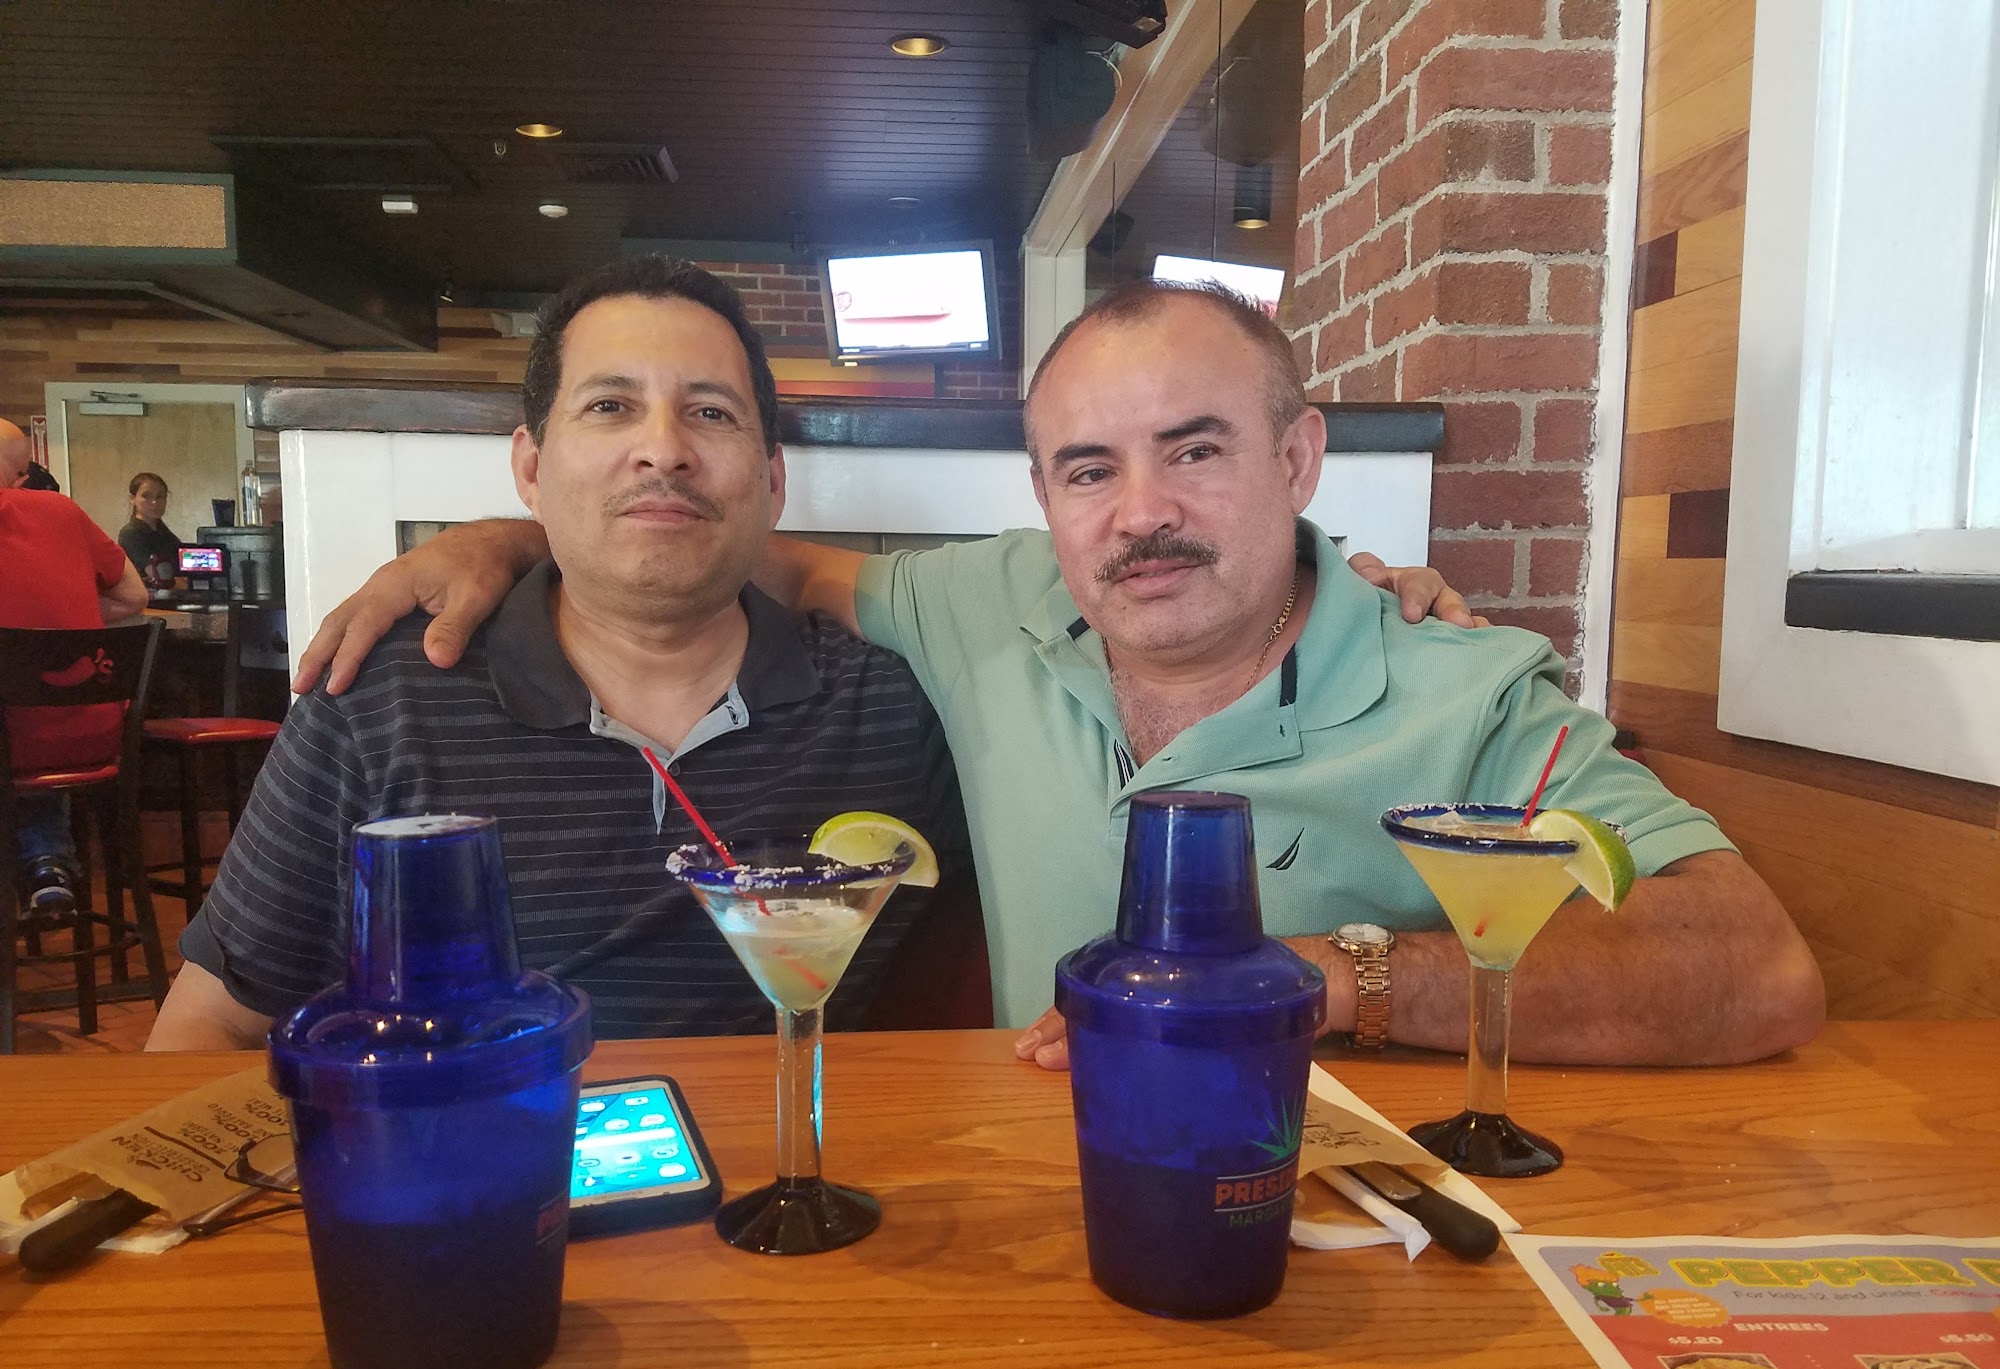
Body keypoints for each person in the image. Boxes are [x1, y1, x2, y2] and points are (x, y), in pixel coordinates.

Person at [292, 278, 1827, 1072]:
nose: (1139, 513)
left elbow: (1754, 969)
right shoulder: (987, 604)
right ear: (1042, 499)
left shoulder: (1461, 686)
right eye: (1088, 470)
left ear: (1299, 460)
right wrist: (519, 535)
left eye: (1197, 452)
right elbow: (733, 546)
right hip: (1049, 1213)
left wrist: (1330, 980)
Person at [145, 259, 971, 1051]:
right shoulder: (382, 702)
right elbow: (209, 1026)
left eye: (712, 413)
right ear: (531, 470)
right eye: (610, 406)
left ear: (773, 480)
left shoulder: (895, 705)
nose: (663, 449)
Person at [0, 420, 149, 914]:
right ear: (17, 474)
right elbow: (133, 597)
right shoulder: (60, 509)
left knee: (16, 721)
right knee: (30, 714)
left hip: (19, 740)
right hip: (89, 736)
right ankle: (47, 860)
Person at [117, 471, 180, 589]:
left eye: (160, 496)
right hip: (147, 598)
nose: (154, 502)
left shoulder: (165, 533)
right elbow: (160, 577)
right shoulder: (130, 533)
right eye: (146, 496)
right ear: (133, 499)